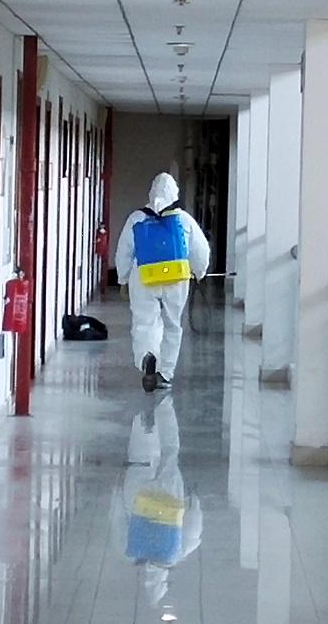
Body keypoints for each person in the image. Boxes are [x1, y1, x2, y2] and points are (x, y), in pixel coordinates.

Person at [115, 172, 210, 392]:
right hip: (176, 279)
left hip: (144, 276)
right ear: (174, 193)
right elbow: (201, 250)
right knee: (172, 324)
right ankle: (165, 373)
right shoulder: (183, 219)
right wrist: (199, 272)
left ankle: (147, 357)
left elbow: (124, 251)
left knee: (144, 321)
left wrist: (123, 278)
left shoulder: (136, 218)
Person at [110, 394, 201, 608]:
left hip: (169, 499)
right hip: (137, 497)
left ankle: (164, 403)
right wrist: (117, 492)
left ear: (165, 580)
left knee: (170, 452)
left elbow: (193, 529)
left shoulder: (176, 554)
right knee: (140, 459)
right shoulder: (128, 553)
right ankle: (144, 417)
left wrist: (193, 500)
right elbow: (117, 519)